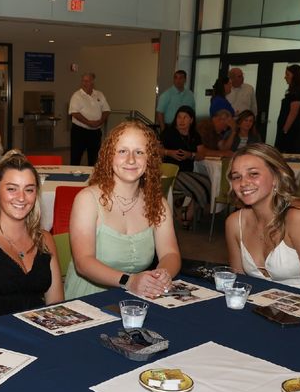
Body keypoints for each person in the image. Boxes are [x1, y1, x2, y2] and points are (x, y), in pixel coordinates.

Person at [65, 120, 181, 299]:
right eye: (122, 151)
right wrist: (129, 281)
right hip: (89, 300)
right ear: (108, 155)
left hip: (138, 296)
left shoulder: (158, 203)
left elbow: (170, 253)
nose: (131, 159)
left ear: (149, 158)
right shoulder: (87, 199)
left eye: (139, 152)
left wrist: (160, 276)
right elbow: (83, 262)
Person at [224, 143, 300, 298]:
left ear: (276, 176)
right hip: (267, 309)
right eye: (236, 177)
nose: (243, 183)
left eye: (253, 174)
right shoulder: (234, 223)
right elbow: (238, 286)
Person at [0, 153, 63, 322]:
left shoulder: (45, 239)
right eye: (12, 189)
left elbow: (56, 304)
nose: (21, 198)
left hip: (37, 334)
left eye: (29, 189)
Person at [160, 106, 210, 228]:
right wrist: (169, 152)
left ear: (191, 120)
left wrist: (190, 155)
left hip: (187, 172)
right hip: (172, 173)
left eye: (185, 117)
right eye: (179, 117)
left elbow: (202, 154)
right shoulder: (168, 132)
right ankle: (186, 215)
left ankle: (187, 214)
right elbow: (156, 149)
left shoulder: (194, 135)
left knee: (208, 183)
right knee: (199, 188)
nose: (181, 120)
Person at [68, 72, 110, 166]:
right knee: (76, 157)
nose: (84, 83)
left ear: (93, 82)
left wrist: (100, 121)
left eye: (87, 81)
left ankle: (93, 178)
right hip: (79, 132)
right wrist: (88, 122)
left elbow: (106, 110)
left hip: (95, 133)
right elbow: (74, 113)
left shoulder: (99, 94)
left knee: (94, 158)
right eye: (83, 81)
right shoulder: (77, 96)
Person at [275, 64, 300, 154]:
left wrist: (284, 131)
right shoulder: (296, 92)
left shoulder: (297, 93)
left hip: (291, 133)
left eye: (287, 74)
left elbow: (293, 114)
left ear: (295, 76)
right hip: (291, 131)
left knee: (287, 155)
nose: (285, 77)